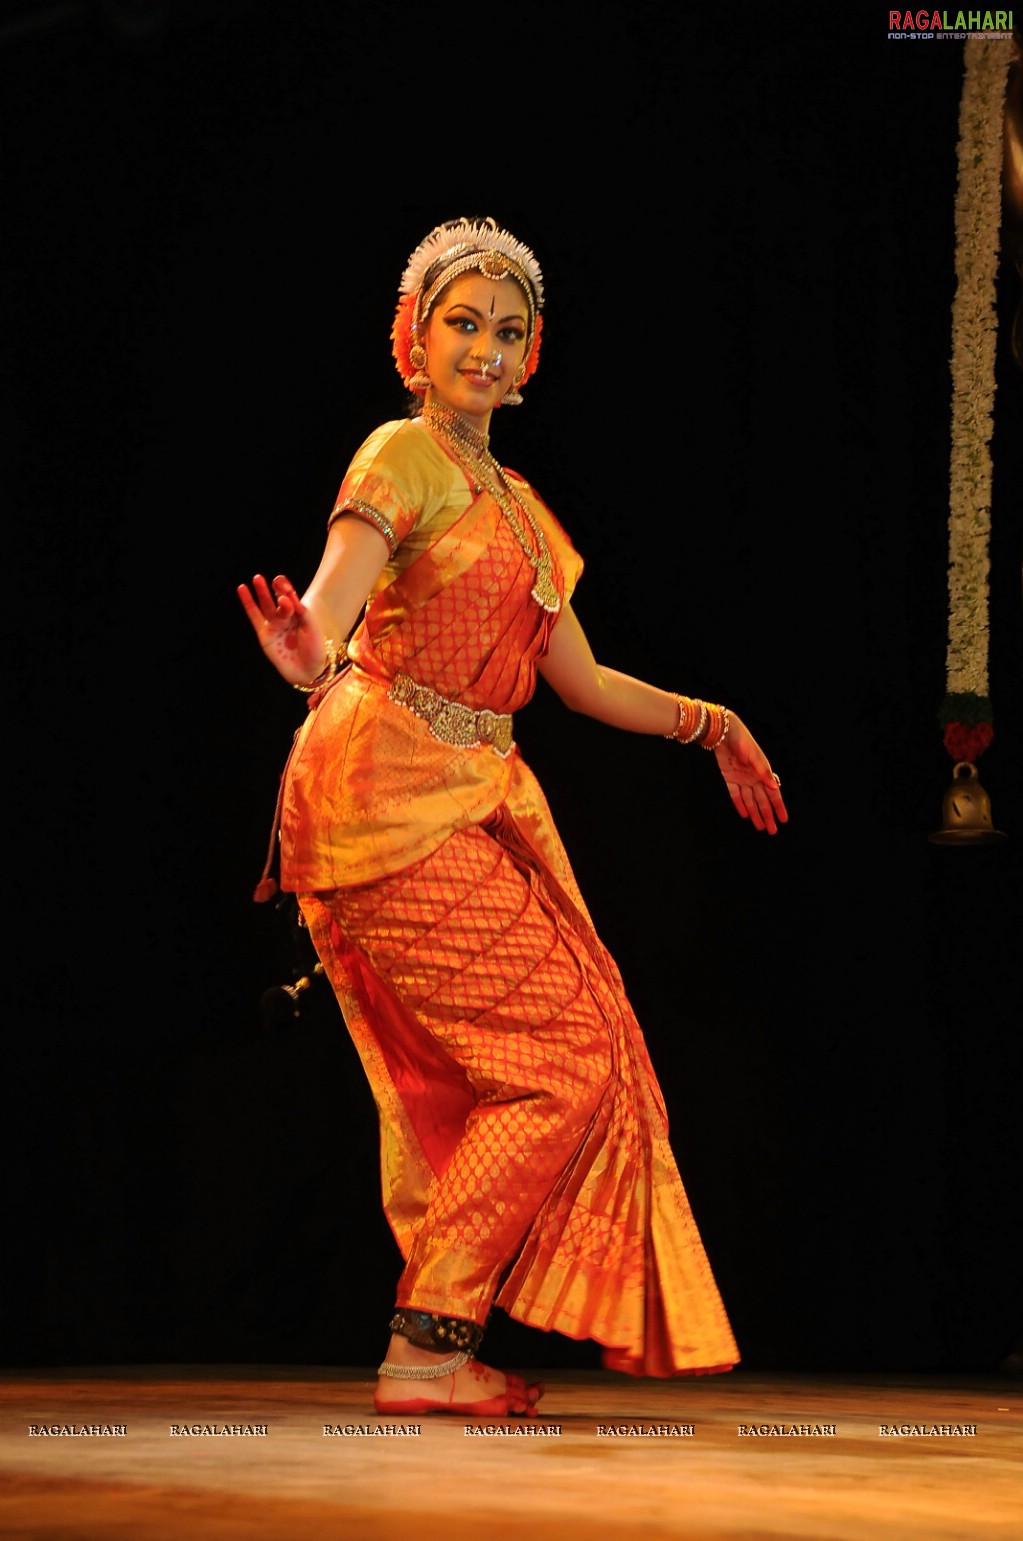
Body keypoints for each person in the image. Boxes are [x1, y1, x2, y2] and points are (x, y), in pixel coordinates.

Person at [238, 216, 788, 1418]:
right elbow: (328, 608)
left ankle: (437, 1336)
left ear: (532, 359)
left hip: (465, 798)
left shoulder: (524, 506)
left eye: (508, 331)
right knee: (562, 1056)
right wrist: (302, 648)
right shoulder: (402, 454)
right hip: (381, 797)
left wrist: (714, 722)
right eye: (462, 324)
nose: (484, 349)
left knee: (584, 1042)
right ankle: (430, 1343)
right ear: (412, 340)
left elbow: (578, 681)